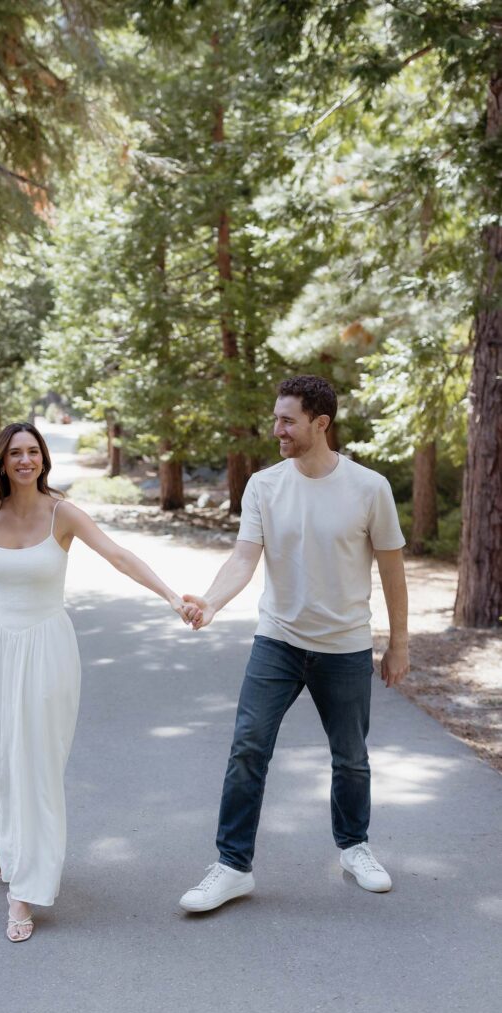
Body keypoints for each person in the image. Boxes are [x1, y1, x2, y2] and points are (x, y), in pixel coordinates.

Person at [180, 375, 409, 912]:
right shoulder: (264, 485)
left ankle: (355, 848)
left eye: (288, 420)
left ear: (320, 424)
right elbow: (244, 557)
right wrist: (213, 601)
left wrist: (398, 644)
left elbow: (394, 572)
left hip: (346, 645)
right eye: (276, 418)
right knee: (247, 749)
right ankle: (233, 866)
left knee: (351, 758)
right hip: (278, 641)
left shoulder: (370, 488)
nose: (276, 429)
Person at [0, 422, 189, 941]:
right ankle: (1, 835)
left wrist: (172, 597)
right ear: (0, 460)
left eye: (33, 452)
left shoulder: (63, 513)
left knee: (35, 766)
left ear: (43, 460)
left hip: (47, 651)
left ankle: (25, 891)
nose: (25, 460)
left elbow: (119, 556)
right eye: (15, 453)